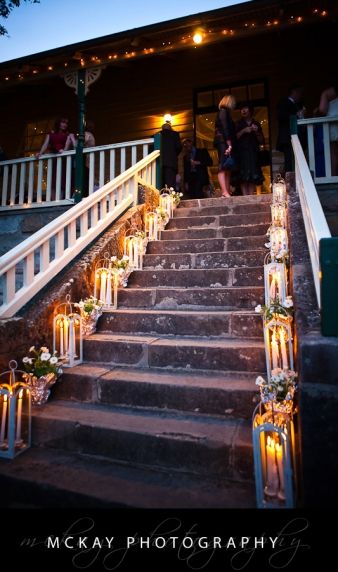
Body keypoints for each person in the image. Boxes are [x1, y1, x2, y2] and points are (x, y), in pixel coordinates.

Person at [36, 117, 75, 199]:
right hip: (55, 159)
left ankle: (65, 199)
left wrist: (64, 150)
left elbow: (67, 148)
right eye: (63, 122)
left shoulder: (68, 134)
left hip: (64, 160)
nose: (65, 125)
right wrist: (40, 153)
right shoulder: (51, 134)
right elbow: (45, 144)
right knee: (54, 180)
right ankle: (55, 201)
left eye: (66, 123)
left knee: (65, 179)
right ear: (58, 123)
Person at [235, 103, 265, 195]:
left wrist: (256, 132)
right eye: (242, 109)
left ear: (250, 111)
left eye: (245, 108)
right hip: (241, 152)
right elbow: (234, 138)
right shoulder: (238, 123)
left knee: (253, 174)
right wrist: (244, 131)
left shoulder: (256, 123)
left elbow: (261, 140)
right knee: (243, 174)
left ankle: (251, 195)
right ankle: (245, 196)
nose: (243, 110)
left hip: (253, 152)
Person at [276, 85, 305, 173]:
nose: (300, 95)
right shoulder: (284, 102)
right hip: (287, 137)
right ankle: (291, 183)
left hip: (296, 137)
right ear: (294, 92)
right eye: (299, 92)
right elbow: (281, 116)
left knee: (297, 161)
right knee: (290, 161)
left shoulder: (297, 104)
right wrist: (296, 115)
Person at [214, 94, 237, 197]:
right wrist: (229, 143)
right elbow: (225, 128)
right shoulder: (223, 112)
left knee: (227, 167)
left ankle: (226, 191)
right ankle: (224, 191)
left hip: (224, 141)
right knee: (223, 165)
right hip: (223, 141)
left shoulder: (226, 113)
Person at [314, 80, 338, 176]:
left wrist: (316, 113)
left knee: (333, 154)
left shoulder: (327, 93)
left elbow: (322, 110)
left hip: (333, 124)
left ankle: (334, 178)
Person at [159, 122, 182, 189]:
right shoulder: (175, 134)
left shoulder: (156, 135)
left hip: (159, 164)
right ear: (170, 128)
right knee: (170, 184)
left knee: (160, 184)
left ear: (162, 128)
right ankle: (170, 198)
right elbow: (178, 147)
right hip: (171, 163)